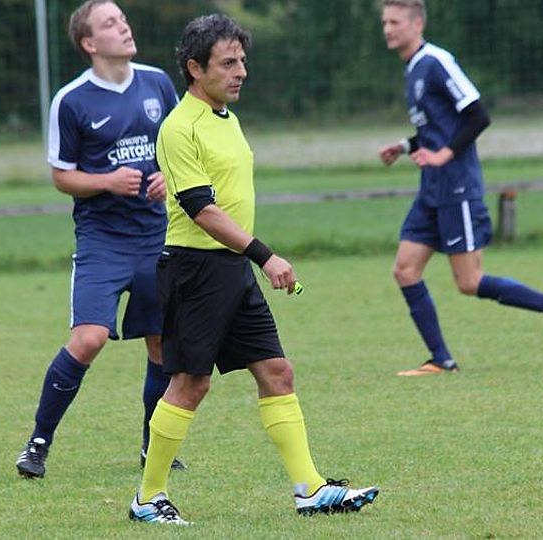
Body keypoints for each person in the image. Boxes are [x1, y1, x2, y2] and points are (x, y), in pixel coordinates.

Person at [127, 14, 379, 525]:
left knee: (277, 371)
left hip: (231, 268)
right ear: (194, 68)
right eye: (227, 63)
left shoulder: (227, 118)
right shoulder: (179, 127)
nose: (240, 71)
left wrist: (250, 258)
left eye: (242, 60)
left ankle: (309, 489)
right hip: (195, 269)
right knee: (191, 384)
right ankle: (148, 498)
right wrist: (265, 255)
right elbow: (202, 209)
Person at [15, 0, 186, 479]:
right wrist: (107, 181)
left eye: (123, 18)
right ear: (89, 43)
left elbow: (180, 148)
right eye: (110, 23)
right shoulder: (72, 100)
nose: (124, 26)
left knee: (161, 344)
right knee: (89, 339)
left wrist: (168, 177)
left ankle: (153, 447)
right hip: (103, 242)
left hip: (156, 238)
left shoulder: (157, 83)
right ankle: (37, 443)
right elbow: (61, 176)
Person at [376, 0, 543, 376]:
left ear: (417, 24)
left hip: (457, 188)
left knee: (469, 281)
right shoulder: (412, 69)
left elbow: (478, 115)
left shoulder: (437, 62)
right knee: (405, 270)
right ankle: (441, 359)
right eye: (385, 22)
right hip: (432, 189)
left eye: (395, 22)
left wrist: (444, 155)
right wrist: (406, 146)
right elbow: (437, 128)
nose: (388, 29)